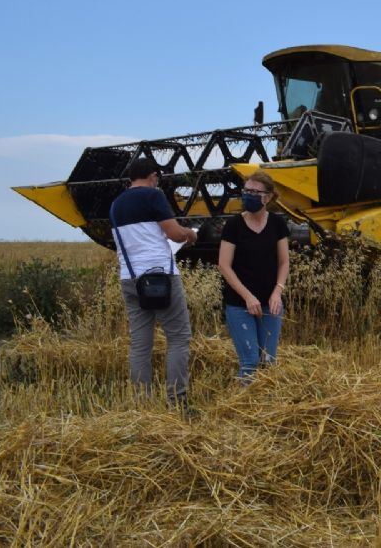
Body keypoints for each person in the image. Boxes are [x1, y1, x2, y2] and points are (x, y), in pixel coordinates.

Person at [109, 157, 197, 407]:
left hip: (129, 278)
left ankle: (141, 404)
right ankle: (177, 402)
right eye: (157, 177)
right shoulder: (153, 195)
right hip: (160, 276)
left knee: (140, 344)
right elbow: (174, 233)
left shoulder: (115, 205)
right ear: (153, 175)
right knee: (179, 337)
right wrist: (190, 234)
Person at [218, 171, 290, 383]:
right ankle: (245, 408)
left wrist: (278, 291)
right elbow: (224, 265)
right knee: (250, 362)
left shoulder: (277, 224)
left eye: (254, 192)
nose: (248, 195)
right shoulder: (233, 226)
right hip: (240, 305)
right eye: (246, 191)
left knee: (268, 362)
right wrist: (248, 297)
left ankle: (267, 409)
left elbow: (284, 261)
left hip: (270, 304)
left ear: (267, 197)